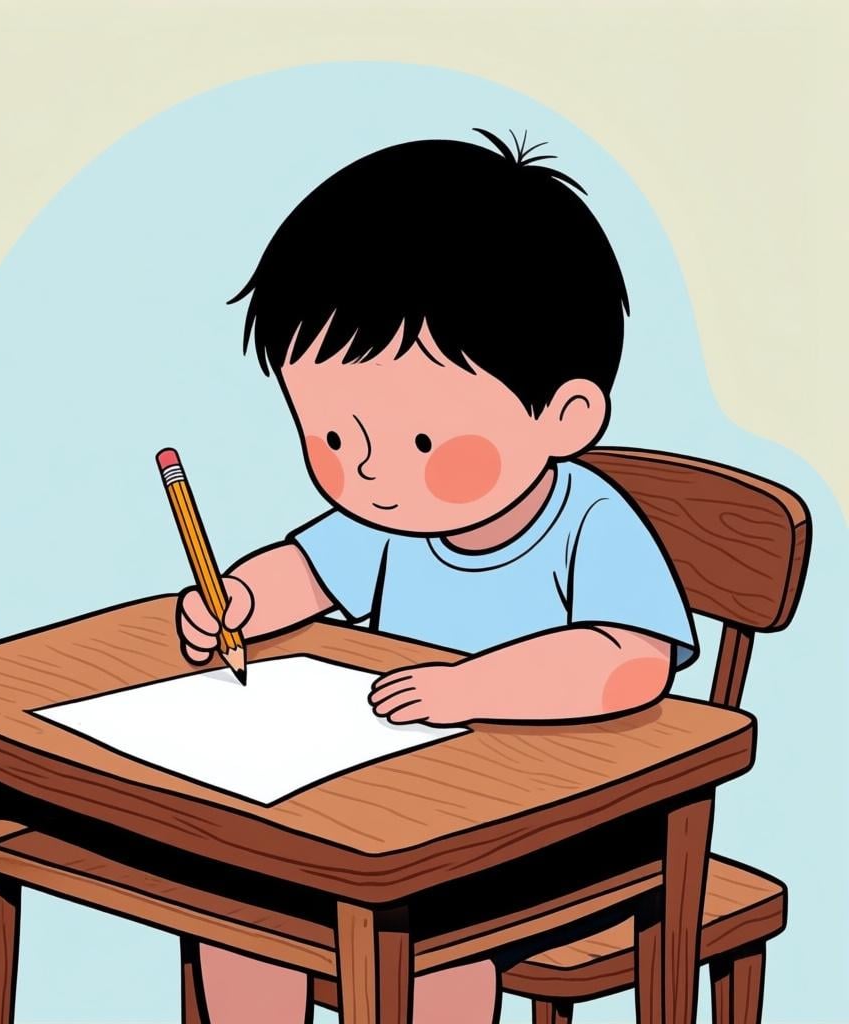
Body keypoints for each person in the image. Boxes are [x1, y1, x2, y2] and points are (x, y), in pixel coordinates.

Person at [177, 130, 697, 1024]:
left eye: (420, 439)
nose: (372, 472)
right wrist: (243, 601)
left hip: (562, 830)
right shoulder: (390, 522)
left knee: (433, 953)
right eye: (332, 436)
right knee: (242, 921)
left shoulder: (589, 522)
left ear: (565, 415)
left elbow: (630, 662)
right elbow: (306, 569)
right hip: (402, 810)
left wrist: (471, 688)